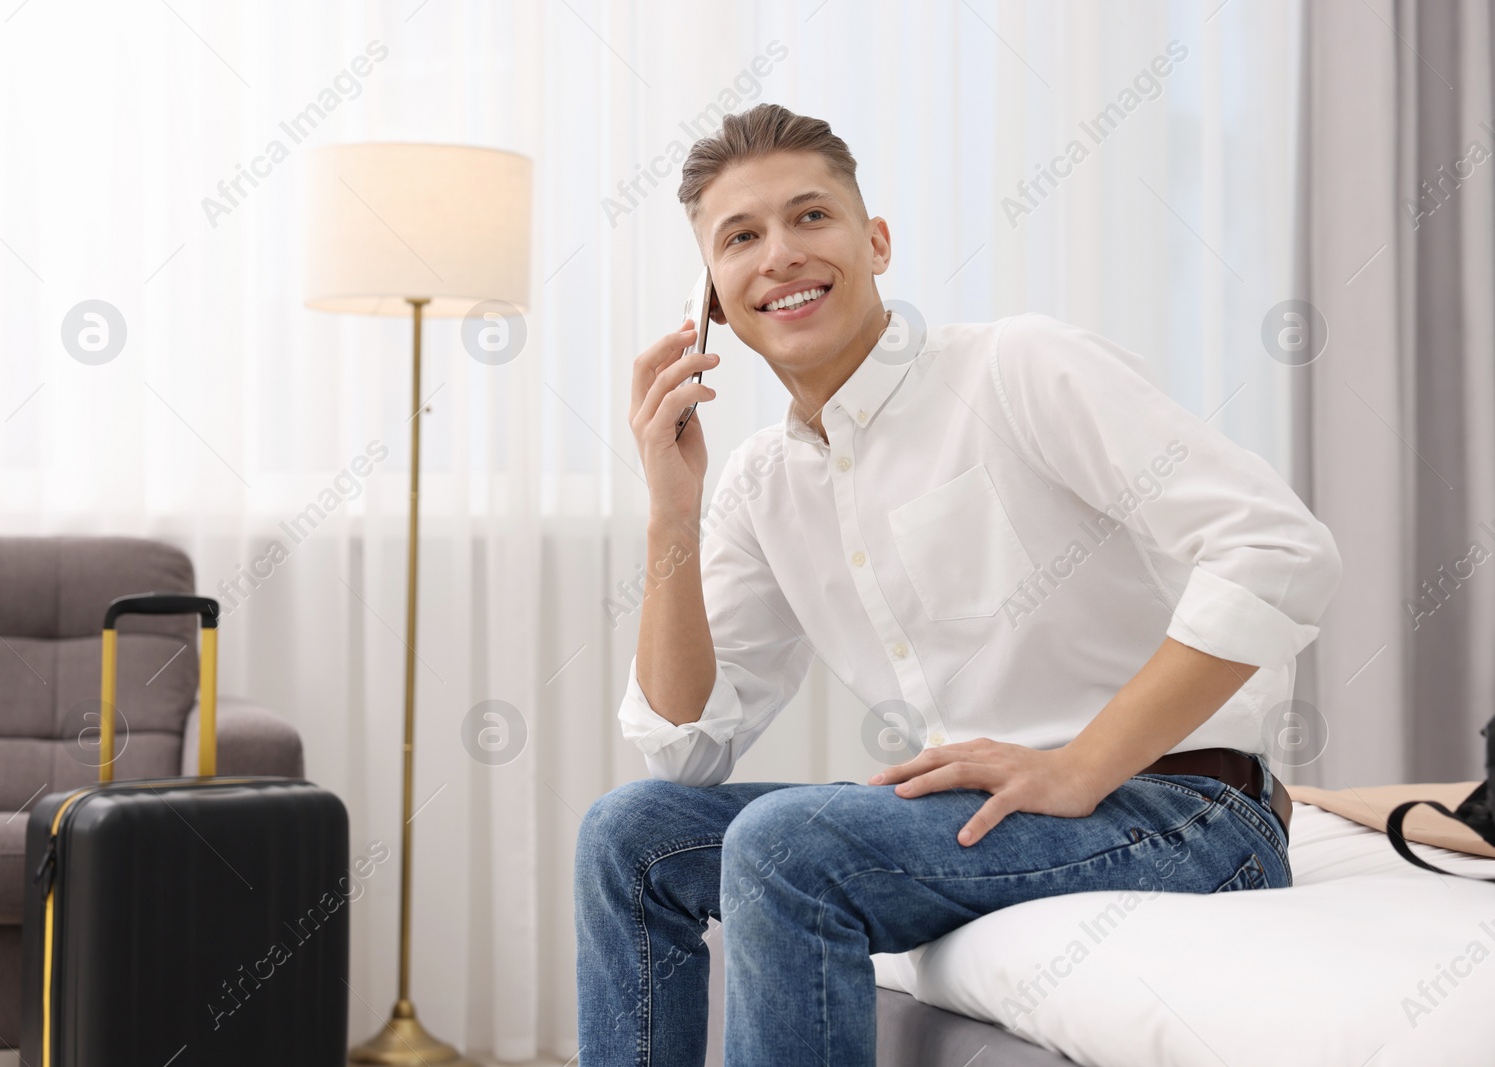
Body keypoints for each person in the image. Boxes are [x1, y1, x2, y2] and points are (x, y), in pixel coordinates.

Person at [574, 102, 1342, 1067]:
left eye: (812, 217)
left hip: (1183, 812)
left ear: (876, 242)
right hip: (997, 815)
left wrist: (1079, 764)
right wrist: (668, 512)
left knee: (783, 843)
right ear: (713, 302)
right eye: (742, 236)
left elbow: (1278, 547)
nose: (781, 253)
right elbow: (684, 751)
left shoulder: (1017, 366)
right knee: (629, 833)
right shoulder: (763, 483)